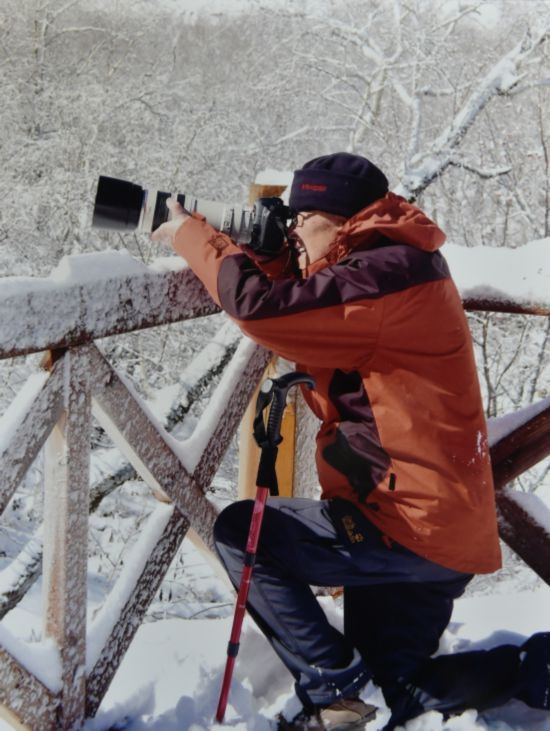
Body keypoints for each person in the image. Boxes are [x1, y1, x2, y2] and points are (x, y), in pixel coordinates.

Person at [152, 153, 550, 730]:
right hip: (435, 524)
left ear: (340, 221)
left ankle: (333, 691)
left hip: (407, 524)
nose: (291, 229)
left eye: (301, 218)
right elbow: (317, 322)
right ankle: (533, 669)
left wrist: (191, 233)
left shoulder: (382, 277)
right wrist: (268, 255)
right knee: (403, 690)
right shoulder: (398, 262)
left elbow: (265, 312)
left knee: (246, 533)